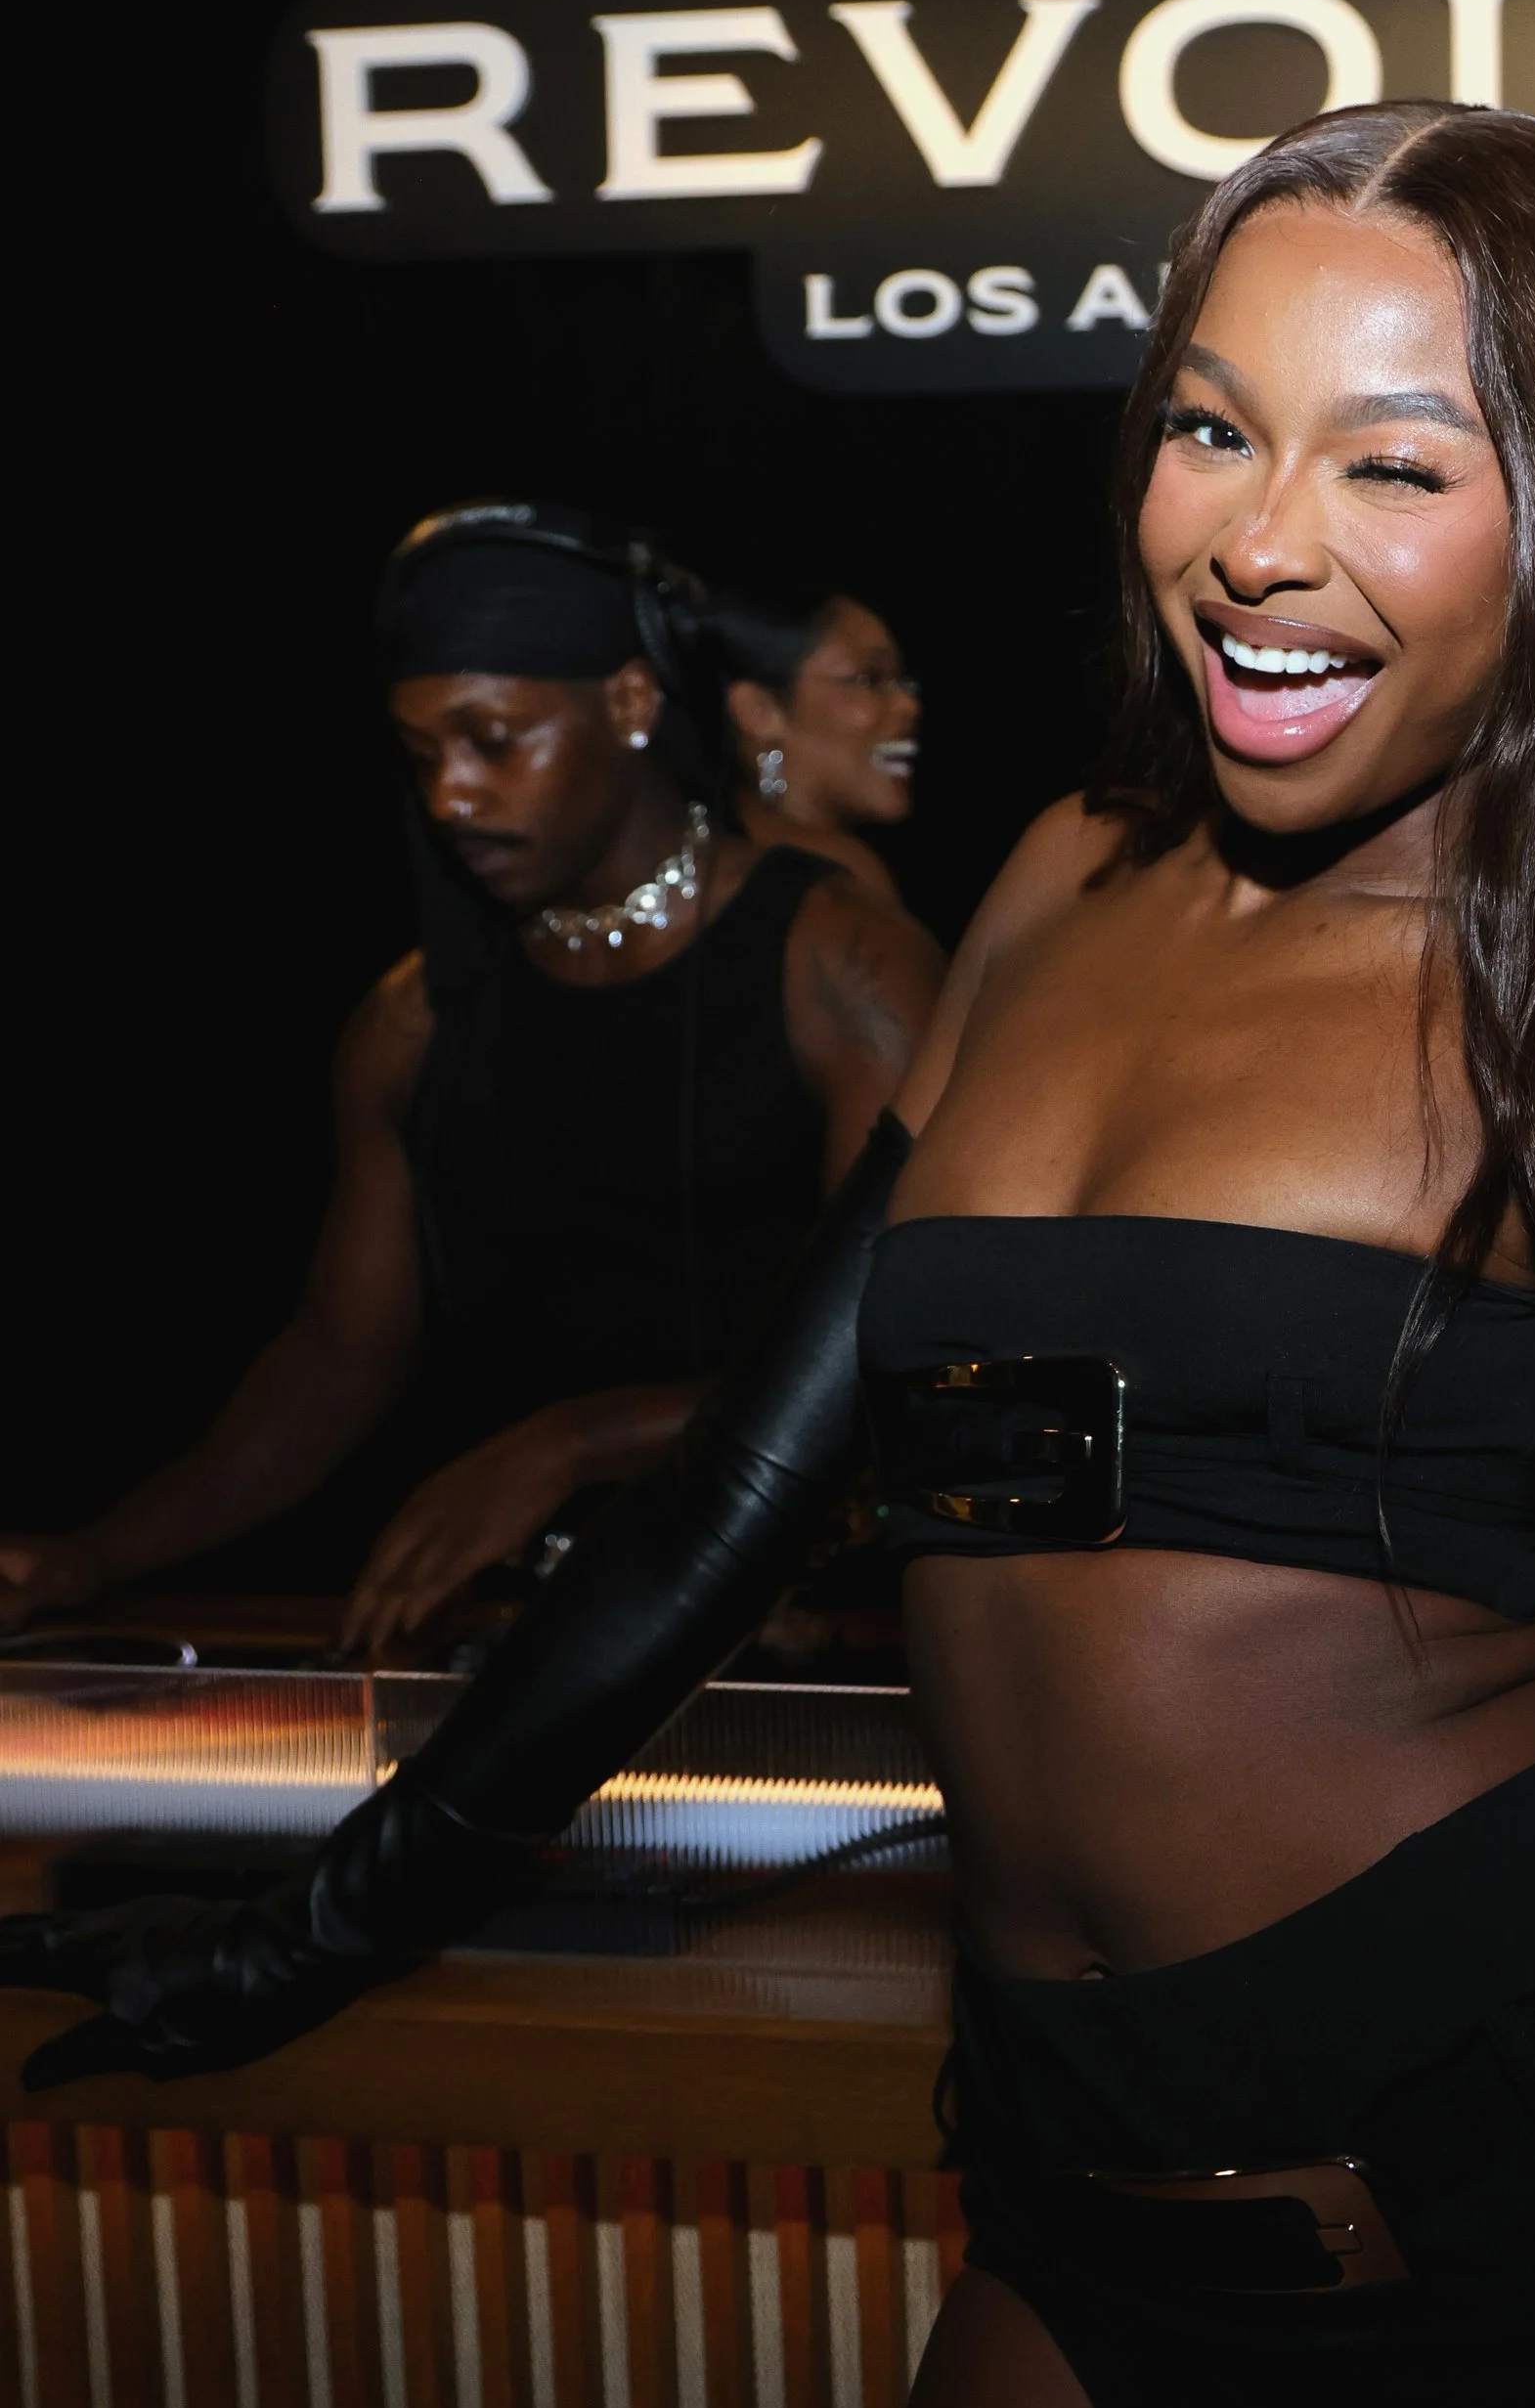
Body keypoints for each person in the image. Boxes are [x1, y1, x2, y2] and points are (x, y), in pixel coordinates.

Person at [0, 116, 1535, 2408]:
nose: (1259, 536)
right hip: (1085, 2215)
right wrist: (327, 1918)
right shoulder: (1058, 880)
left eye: (1396, 460)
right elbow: (733, 1505)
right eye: (1209, 422)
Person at [0, 503, 941, 1660]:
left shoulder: (842, 963)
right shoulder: (409, 1021)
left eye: (493, 739)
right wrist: (99, 1554)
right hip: (531, 1643)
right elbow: (340, 1359)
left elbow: (894, 1339)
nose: (450, 794)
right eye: (420, 756)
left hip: (808, 1632)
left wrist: (573, 1442)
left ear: (632, 704)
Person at [716, 583, 924, 899]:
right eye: (868, 679)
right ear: (759, 711)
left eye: (901, 682)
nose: (909, 705)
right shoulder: (832, 874)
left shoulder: (709, 855)